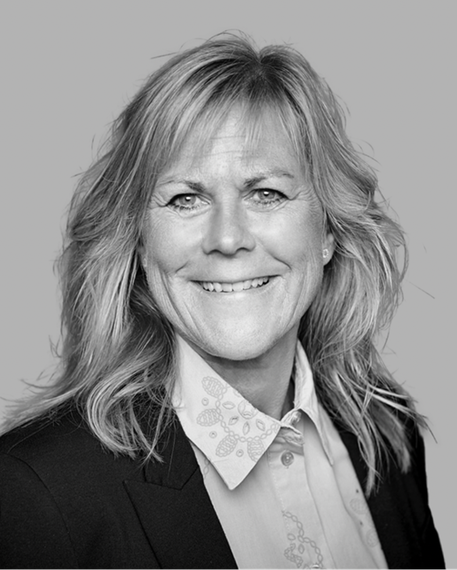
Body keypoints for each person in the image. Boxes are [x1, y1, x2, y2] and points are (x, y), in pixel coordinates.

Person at [0, 34, 445, 569]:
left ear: (329, 230)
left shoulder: (389, 435)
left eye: (266, 194)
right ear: (139, 242)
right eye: (185, 199)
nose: (228, 238)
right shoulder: (34, 493)